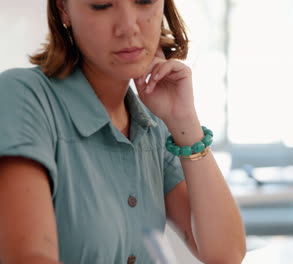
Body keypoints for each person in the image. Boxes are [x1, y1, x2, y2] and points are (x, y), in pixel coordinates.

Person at [0, 0, 246, 263]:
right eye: (102, 4)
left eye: (144, 1)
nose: (128, 28)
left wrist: (184, 122)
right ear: (64, 10)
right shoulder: (21, 97)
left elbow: (226, 253)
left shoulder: (153, 122)